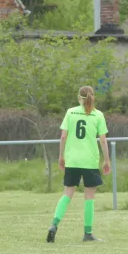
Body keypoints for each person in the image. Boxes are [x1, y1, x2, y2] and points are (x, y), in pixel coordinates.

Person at [46, 86, 111, 243]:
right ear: (93, 97)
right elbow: (102, 140)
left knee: (67, 193)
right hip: (89, 161)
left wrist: (61, 156)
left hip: (72, 160)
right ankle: (88, 233)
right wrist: (107, 160)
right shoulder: (98, 115)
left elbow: (63, 137)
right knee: (89, 197)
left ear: (78, 98)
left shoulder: (70, 112)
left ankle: (54, 225)